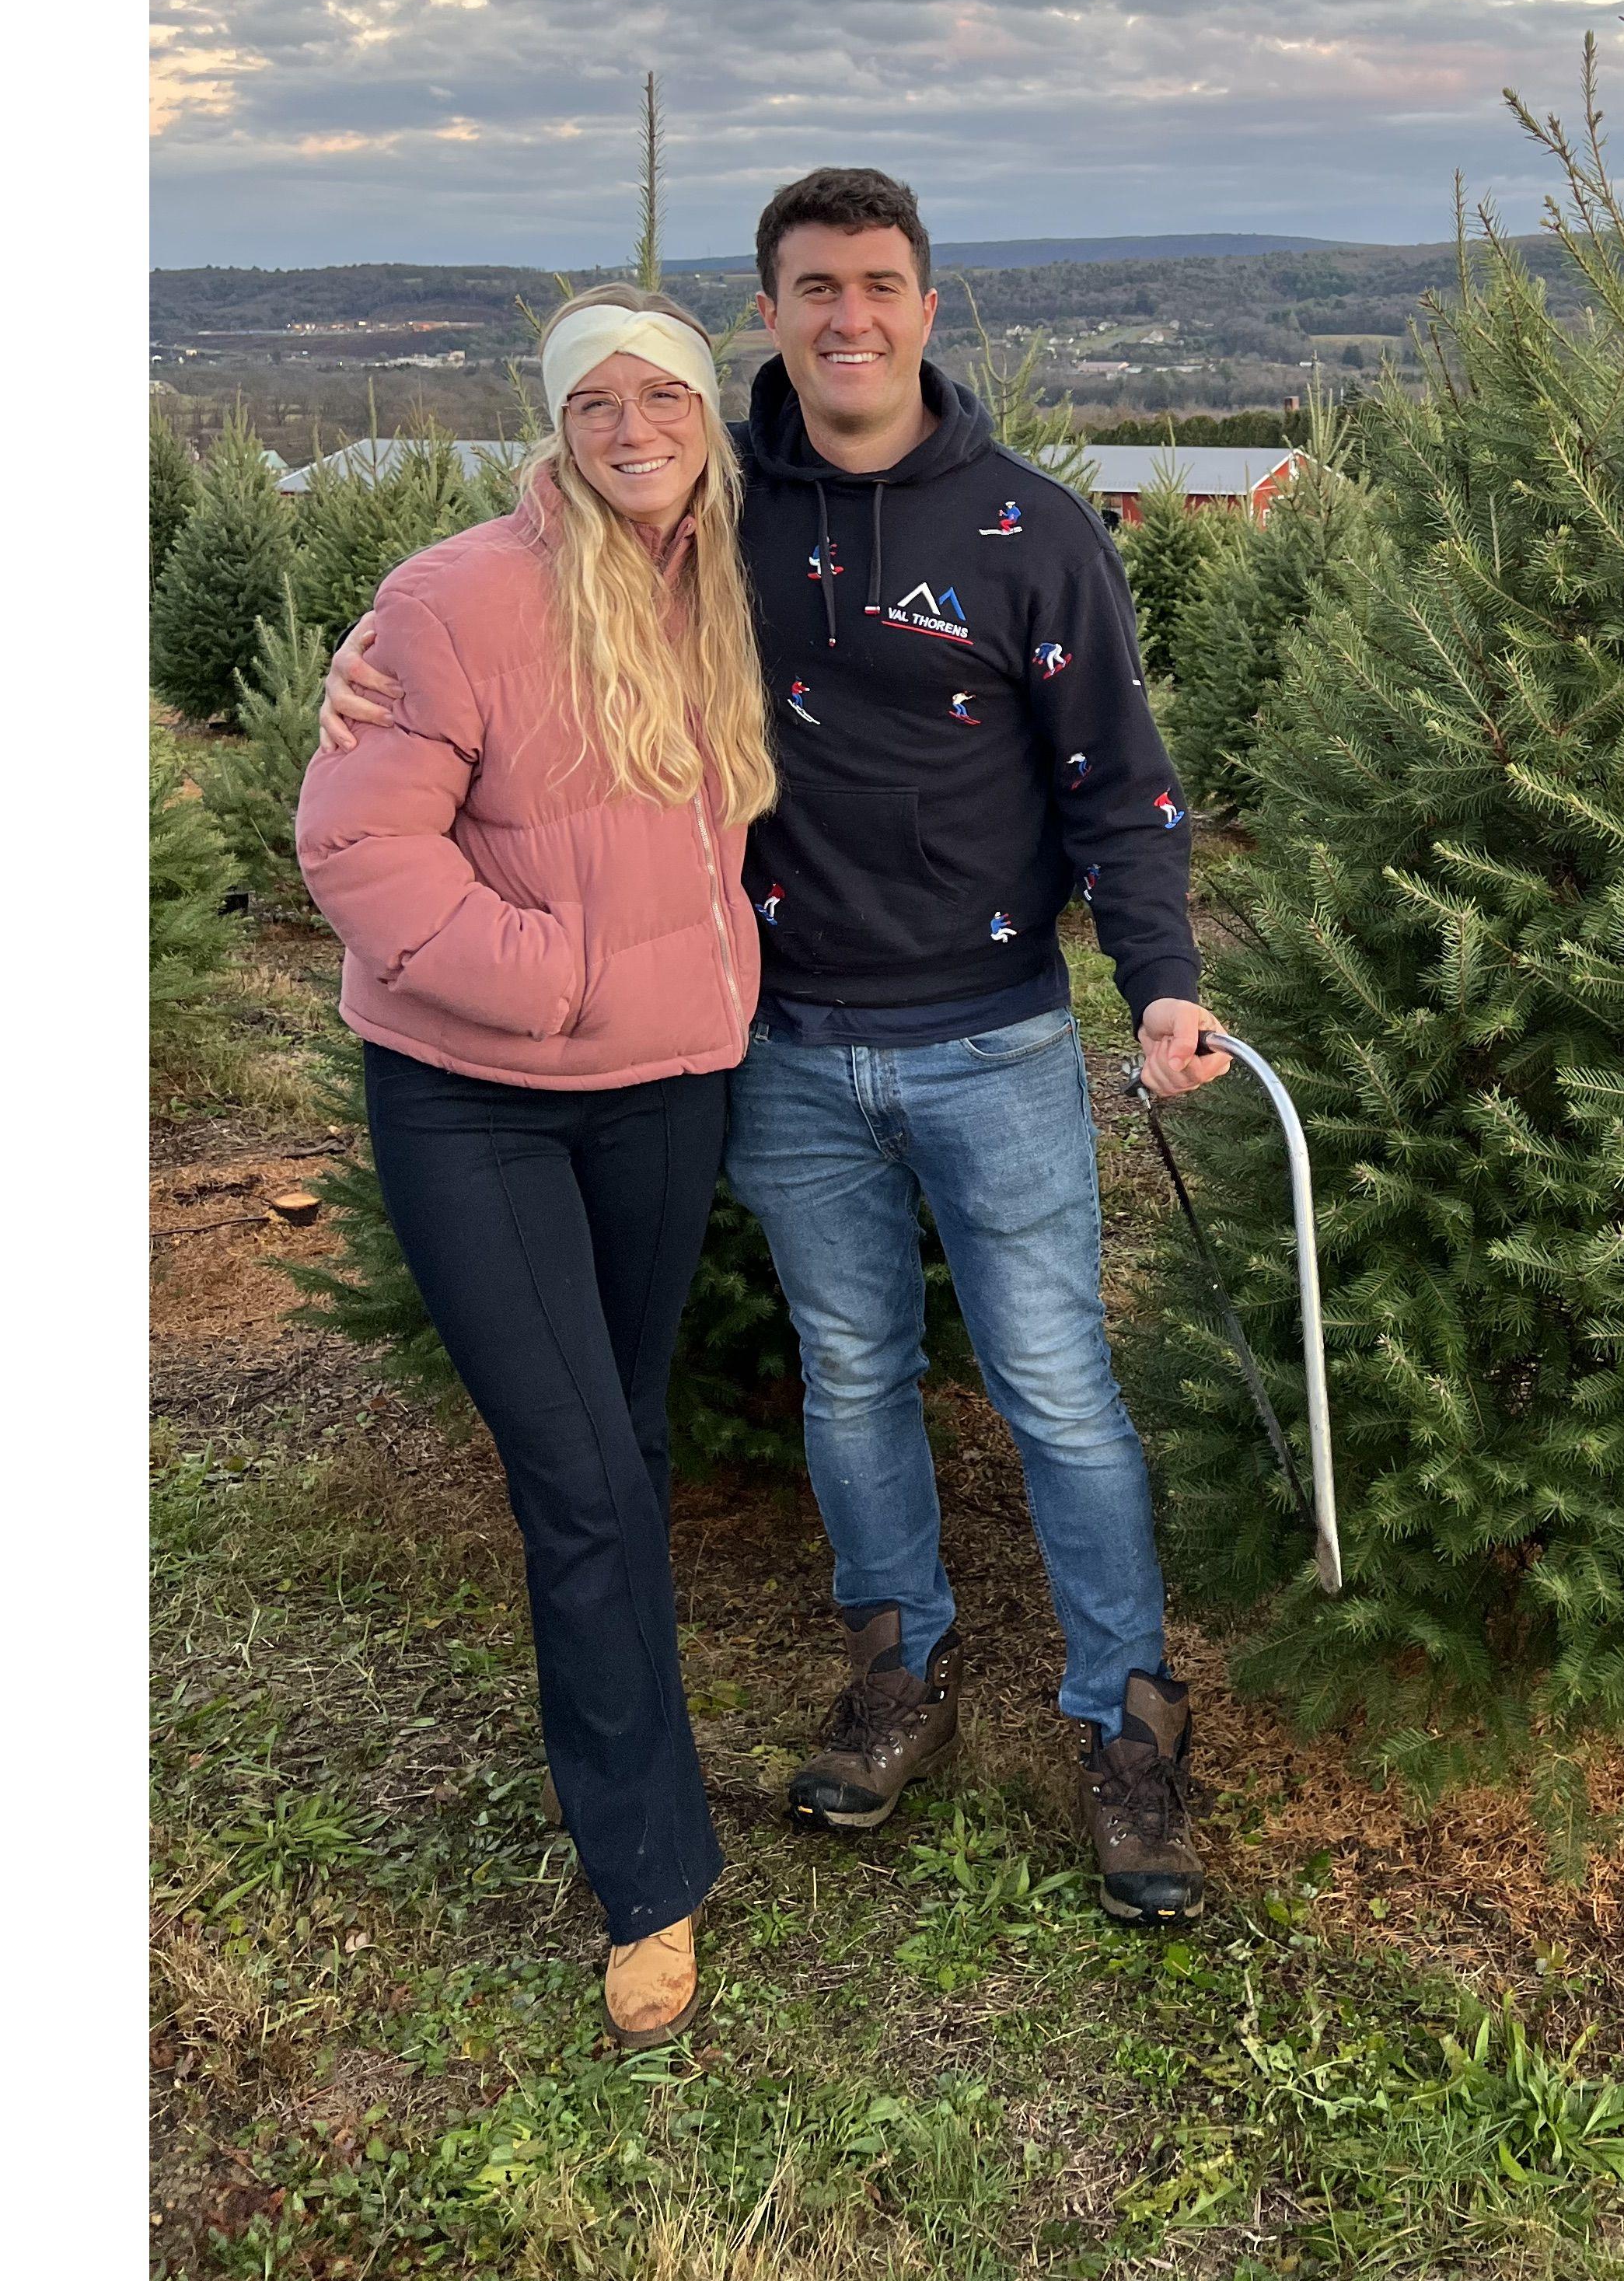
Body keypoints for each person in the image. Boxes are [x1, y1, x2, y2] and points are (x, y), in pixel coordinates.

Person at [327, 169, 1233, 1924]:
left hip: (995, 1039)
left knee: (1057, 1385)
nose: (849, 318)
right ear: (772, 311)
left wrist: (1167, 979)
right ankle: (896, 1654)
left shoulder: (1035, 531)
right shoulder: (713, 524)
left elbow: (1122, 792)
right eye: (813, 288)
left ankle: (1126, 1714)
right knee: (851, 1375)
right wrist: (355, 669)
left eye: (880, 285)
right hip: (785, 1045)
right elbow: (518, 602)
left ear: (927, 307)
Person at [296, 284, 773, 2046]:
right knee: (579, 1474)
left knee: (623, 1438)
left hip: (668, 1091)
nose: (633, 428)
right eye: (597, 405)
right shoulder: (451, 601)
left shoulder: (731, 578)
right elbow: (352, 842)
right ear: (558, 429)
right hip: (478, 1099)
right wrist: (550, 981)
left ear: (708, 418)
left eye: (665, 397)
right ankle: (650, 1872)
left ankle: (626, 1738)